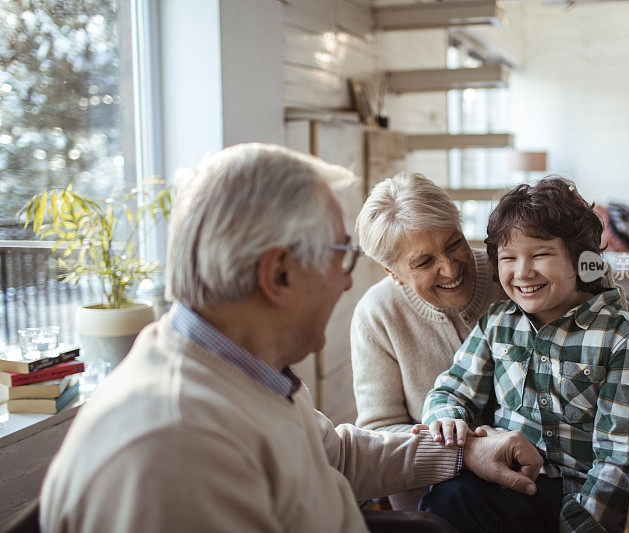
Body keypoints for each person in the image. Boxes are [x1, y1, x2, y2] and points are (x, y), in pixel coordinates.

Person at [39, 144, 545, 532]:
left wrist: (464, 453)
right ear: (279, 274)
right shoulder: (172, 448)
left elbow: (342, 456)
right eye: (339, 256)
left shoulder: (245, 370)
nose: (347, 280)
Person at [350, 173, 629, 510]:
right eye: (425, 262)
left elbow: (618, 338)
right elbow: (380, 431)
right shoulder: (376, 314)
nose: (451, 270)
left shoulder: (518, 272)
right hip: (430, 479)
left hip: (548, 474)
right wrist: (467, 451)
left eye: (454, 243)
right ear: (392, 272)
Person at [420, 178, 629, 533]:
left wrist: (579, 525)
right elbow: (450, 391)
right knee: (447, 499)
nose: (523, 272)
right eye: (509, 258)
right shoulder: (497, 323)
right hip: (504, 480)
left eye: (540, 255)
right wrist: (447, 419)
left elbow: (621, 461)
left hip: (577, 500)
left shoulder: (625, 341)